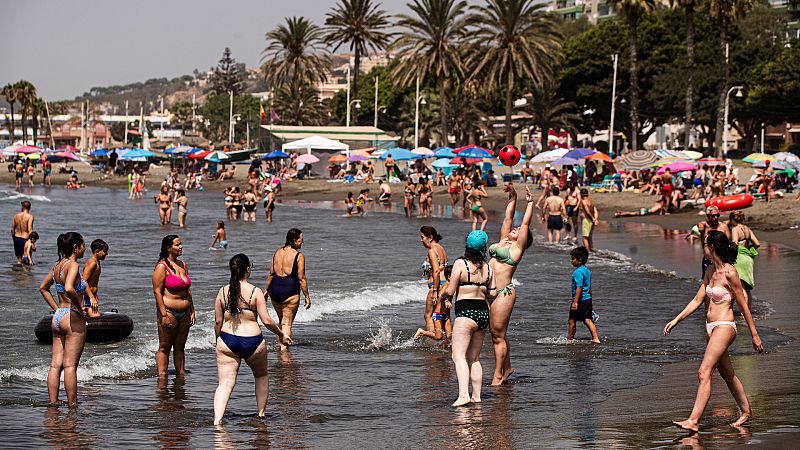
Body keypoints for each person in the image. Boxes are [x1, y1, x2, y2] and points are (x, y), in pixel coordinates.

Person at [664, 230, 764, 433]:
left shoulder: (730, 272)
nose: (703, 247)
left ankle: (693, 420)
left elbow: (743, 305)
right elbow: (697, 300)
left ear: (712, 248)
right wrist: (676, 320)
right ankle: (746, 411)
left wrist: (754, 334)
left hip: (725, 327)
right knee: (727, 373)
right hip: (711, 328)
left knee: (704, 372)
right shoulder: (710, 271)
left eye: (705, 244)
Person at [213, 253, 292, 425]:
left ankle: (217, 422)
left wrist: (218, 341)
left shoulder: (222, 291)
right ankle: (261, 415)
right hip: (253, 342)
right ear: (248, 269)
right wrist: (281, 334)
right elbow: (267, 321)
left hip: (227, 340)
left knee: (225, 384)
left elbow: (218, 321)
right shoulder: (255, 292)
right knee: (261, 376)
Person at [440, 230, 495, 407]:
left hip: (466, 314)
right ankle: (476, 396)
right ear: (483, 247)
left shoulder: (460, 264)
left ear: (467, 246)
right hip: (482, 314)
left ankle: (463, 395)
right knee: (475, 357)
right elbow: (492, 292)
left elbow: (450, 290)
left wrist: (442, 296)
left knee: (458, 356)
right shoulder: (487, 267)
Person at [488, 184, 535, 386]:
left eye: (517, 231)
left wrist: (530, 202)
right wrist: (513, 197)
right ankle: (507, 367)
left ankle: (498, 375)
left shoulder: (516, 249)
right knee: (496, 334)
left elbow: (524, 224)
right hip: (488, 292)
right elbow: (508, 218)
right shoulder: (503, 241)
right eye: (513, 229)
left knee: (498, 335)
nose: (514, 228)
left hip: (503, 293)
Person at [38, 232, 89, 407]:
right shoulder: (73, 265)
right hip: (72, 316)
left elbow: (43, 288)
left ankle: (53, 404)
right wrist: (80, 309)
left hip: (58, 316)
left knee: (55, 366)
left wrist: (56, 309)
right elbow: (69, 288)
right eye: (83, 245)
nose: (85, 248)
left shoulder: (57, 266)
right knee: (70, 366)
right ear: (75, 247)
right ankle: (72, 406)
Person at [152, 235, 195, 377]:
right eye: (177, 245)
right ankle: (162, 378)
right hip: (169, 312)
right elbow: (157, 292)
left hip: (185, 312)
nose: (181, 247)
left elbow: (188, 291)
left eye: (181, 244)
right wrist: (163, 314)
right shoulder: (161, 267)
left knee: (180, 347)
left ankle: (180, 377)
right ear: (168, 248)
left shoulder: (183, 264)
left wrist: (192, 310)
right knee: (165, 347)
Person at [266, 229, 311, 351]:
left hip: (274, 289)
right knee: (287, 323)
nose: (303, 241)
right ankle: (284, 353)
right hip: (290, 290)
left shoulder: (277, 252)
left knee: (281, 322)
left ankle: (280, 348)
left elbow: (271, 273)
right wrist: (307, 296)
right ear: (294, 240)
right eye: (301, 238)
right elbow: (301, 277)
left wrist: (266, 290)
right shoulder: (299, 256)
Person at [418, 226, 448, 336]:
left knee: (428, 316)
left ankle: (431, 340)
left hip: (437, 285)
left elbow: (436, 271)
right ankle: (445, 340)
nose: (421, 240)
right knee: (441, 316)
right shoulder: (441, 248)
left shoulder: (432, 250)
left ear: (430, 237)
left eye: (422, 237)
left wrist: (435, 290)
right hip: (444, 284)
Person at [728, 211, 760, 308]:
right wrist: (748, 249)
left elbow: (734, 244)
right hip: (748, 258)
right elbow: (757, 244)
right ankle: (748, 311)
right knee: (747, 288)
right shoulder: (747, 229)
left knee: (741, 286)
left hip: (739, 258)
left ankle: (744, 313)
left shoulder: (735, 229)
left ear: (733, 219)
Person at [567, 246, 600, 343]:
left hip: (580, 300)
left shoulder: (578, 272)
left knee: (572, 321)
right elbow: (589, 287)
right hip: (587, 299)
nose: (571, 261)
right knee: (588, 320)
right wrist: (591, 301)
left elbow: (579, 287)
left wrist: (575, 302)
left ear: (580, 260)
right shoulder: (587, 270)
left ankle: (570, 339)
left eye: (573, 259)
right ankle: (596, 338)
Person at [414, 264, 453, 343]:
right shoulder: (446, 286)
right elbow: (440, 295)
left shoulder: (452, 285)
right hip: (438, 315)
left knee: (449, 337)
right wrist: (446, 300)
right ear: (449, 277)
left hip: (446, 315)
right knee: (438, 337)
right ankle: (422, 332)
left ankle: (442, 351)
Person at [696, 206, 730, 277]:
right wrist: (700, 226)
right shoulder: (704, 226)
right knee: (707, 280)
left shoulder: (723, 226)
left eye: (717, 215)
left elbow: (729, 243)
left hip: (721, 259)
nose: (716, 218)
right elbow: (700, 225)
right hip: (708, 259)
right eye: (713, 216)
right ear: (708, 216)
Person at [11, 200, 35, 265]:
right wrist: (32, 243)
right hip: (25, 239)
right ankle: (25, 274)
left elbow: (12, 229)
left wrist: (13, 238)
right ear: (29, 207)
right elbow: (30, 229)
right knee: (27, 260)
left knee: (19, 261)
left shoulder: (16, 216)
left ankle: (18, 273)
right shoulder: (30, 216)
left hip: (16, 238)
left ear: (22, 207)